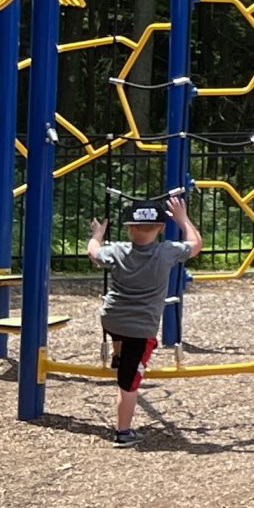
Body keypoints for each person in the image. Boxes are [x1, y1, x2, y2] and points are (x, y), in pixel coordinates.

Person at [85, 191, 201, 446]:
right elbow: (195, 244)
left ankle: (118, 354)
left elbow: (94, 253)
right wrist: (183, 220)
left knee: (118, 327)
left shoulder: (116, 251)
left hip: (112, 319)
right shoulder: (166, 252)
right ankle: (123, 433)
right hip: (140, 328)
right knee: (128, 383)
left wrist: (97, 235)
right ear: (160, 229)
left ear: (129, 230)